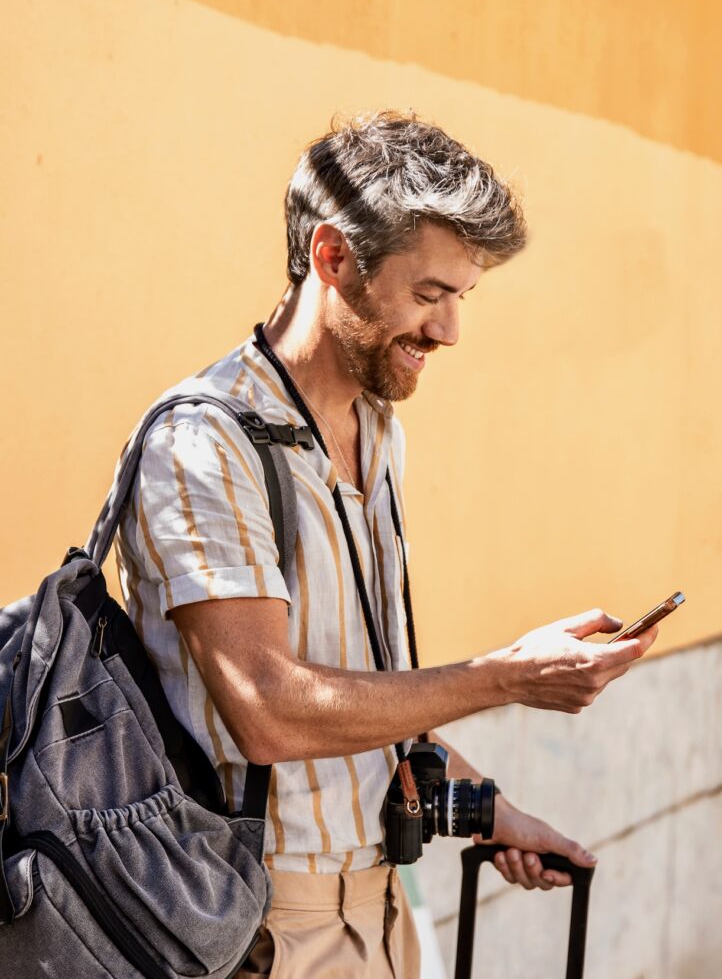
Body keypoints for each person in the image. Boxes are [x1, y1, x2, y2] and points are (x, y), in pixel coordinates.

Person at [115, 111, 658, 978]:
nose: (449, 332)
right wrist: (509, 676)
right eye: (429, 294)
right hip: (255, 926)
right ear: (333, 258)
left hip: (385, 912)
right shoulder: (203, 443)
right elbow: (268, 708)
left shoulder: (378, 427)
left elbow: (370, 696)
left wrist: (492, 811)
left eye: (461, 299)